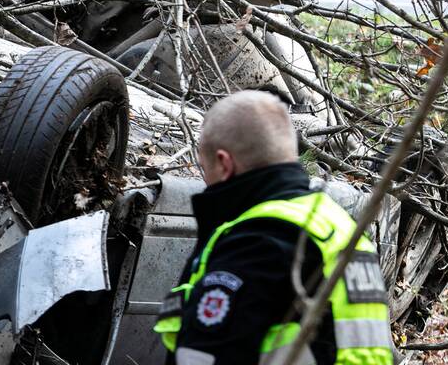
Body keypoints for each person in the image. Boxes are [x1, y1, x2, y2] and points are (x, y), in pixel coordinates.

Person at [153, 90, 396, 365]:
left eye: (204, 167)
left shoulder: (260, 238)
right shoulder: (339, 226)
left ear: (223, 163)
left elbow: (208, 355)